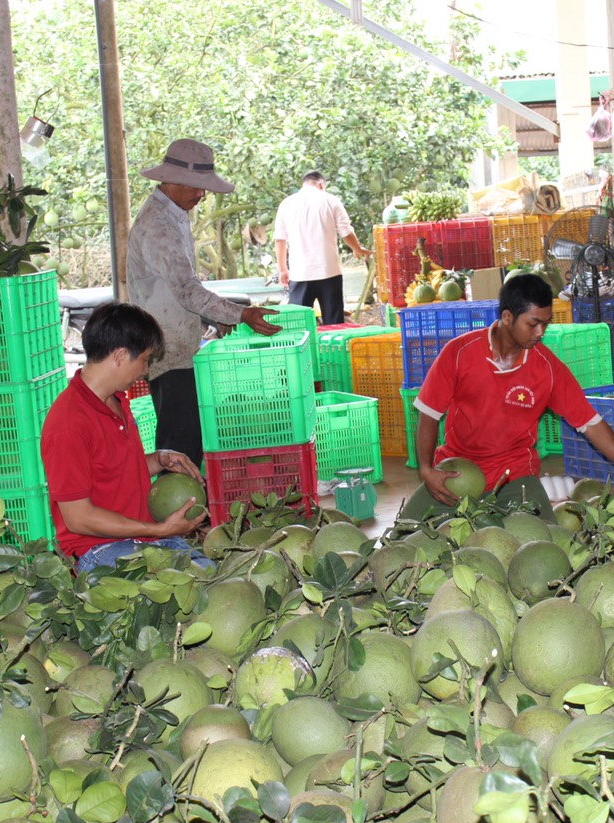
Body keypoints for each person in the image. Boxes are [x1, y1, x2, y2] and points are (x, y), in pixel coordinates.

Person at [401, 273, 614, 521]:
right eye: (533, 323)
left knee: (540, 541)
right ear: (507, 317)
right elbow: (428, 414)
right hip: (458, 469)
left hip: (515, 473)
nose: (540, 332)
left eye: (546, 324)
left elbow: (591, 424)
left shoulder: (547, 369)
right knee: (402, 536)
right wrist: (427, 470)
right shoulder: (459, 353)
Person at [128, 137, 282, 469]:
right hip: (168, 353)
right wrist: (241, 313)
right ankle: (176, 515)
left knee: (187, 441)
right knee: (178, 447)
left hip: (179, 347)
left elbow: (178, 290)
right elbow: (186, 290)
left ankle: (185, 513)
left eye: (204, 188)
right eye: (196, 187)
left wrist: (212, 317)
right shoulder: (158, 224)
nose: (202, 195)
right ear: (170, 180)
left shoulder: (174, 213)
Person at [41, 301, 212, 572]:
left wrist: (160, 459)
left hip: (143, 539)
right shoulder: (68, 423)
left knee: (213, 577)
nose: (145, 371)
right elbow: (78, 518)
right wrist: (158, 529)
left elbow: (112, 473)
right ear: (120, 356)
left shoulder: (118, 400)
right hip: (99, 550)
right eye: (144, 360)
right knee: (191, 588)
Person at [273, 170, 369, 325]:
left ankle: (306, 350)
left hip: (300, 274)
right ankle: (333, 349)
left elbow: (280, 240)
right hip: (329, 272)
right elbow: (346, 232)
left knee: (300, 326)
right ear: (321, 184)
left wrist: (283, 269)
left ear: (303, 184)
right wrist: (357, 248)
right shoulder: (331, 200)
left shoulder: (287, 204)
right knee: (334, 324)